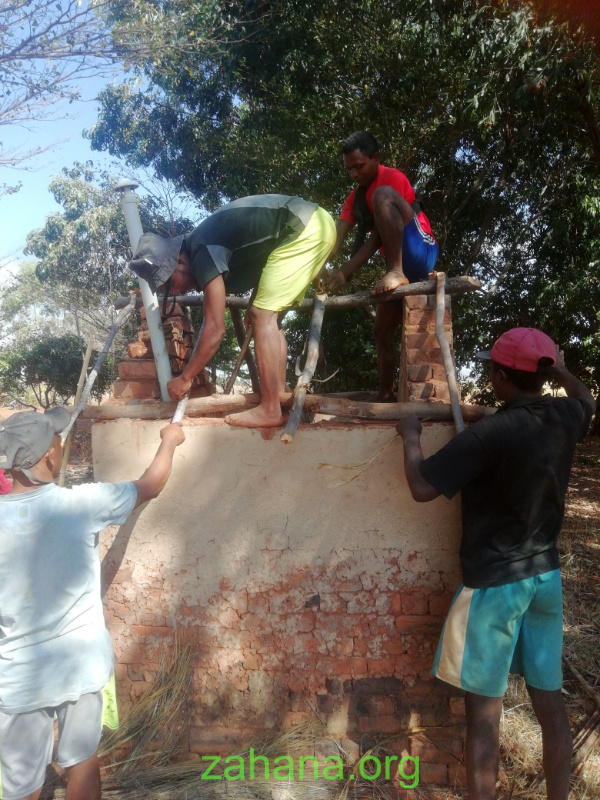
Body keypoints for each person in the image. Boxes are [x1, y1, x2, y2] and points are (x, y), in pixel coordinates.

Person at [396, 328, 596, 800]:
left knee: (484, 717)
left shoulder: (492, 433)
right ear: (544, 376)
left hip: (496, 587)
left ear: (502, 379)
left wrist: (410, 438)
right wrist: (561, 367)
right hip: (544, 579)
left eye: (492, 371)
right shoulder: (565, 417)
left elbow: (422, 487)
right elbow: (586, 398)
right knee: (551, 704)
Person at [0, 407, 185, 800]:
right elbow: (150, 485)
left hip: (17, 678)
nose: (61, 444)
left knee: (21, 788)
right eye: (56, 439)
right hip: (80, 669)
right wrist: (169, 441)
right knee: (82, 766)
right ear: (51, 456)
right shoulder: (81, 505)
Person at [129, 195, 336, 428]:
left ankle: (270, 408)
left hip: (305, 229)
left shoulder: (201, 252)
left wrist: (185, 378)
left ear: (180, 261)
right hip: (316, 226)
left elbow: (215, 328)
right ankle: (278, 400)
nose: (176, 290)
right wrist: (254, 302)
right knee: (267, 318)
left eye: (169, 283)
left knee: (262, 316)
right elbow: (267, 253)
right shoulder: (202, 244)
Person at [328, 131, 438, 402]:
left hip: (421, 251)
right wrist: (323, 265)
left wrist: (346, 270)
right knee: (381, 330)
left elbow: (378, 236)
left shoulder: (391, 178)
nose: (354, 174)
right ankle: (386, 394)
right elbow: (336, 236)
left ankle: (396, 272)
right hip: (399, 265)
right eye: (349, 169)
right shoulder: (355, 199)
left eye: (359, 166)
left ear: (376, 158)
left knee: (383, 195)